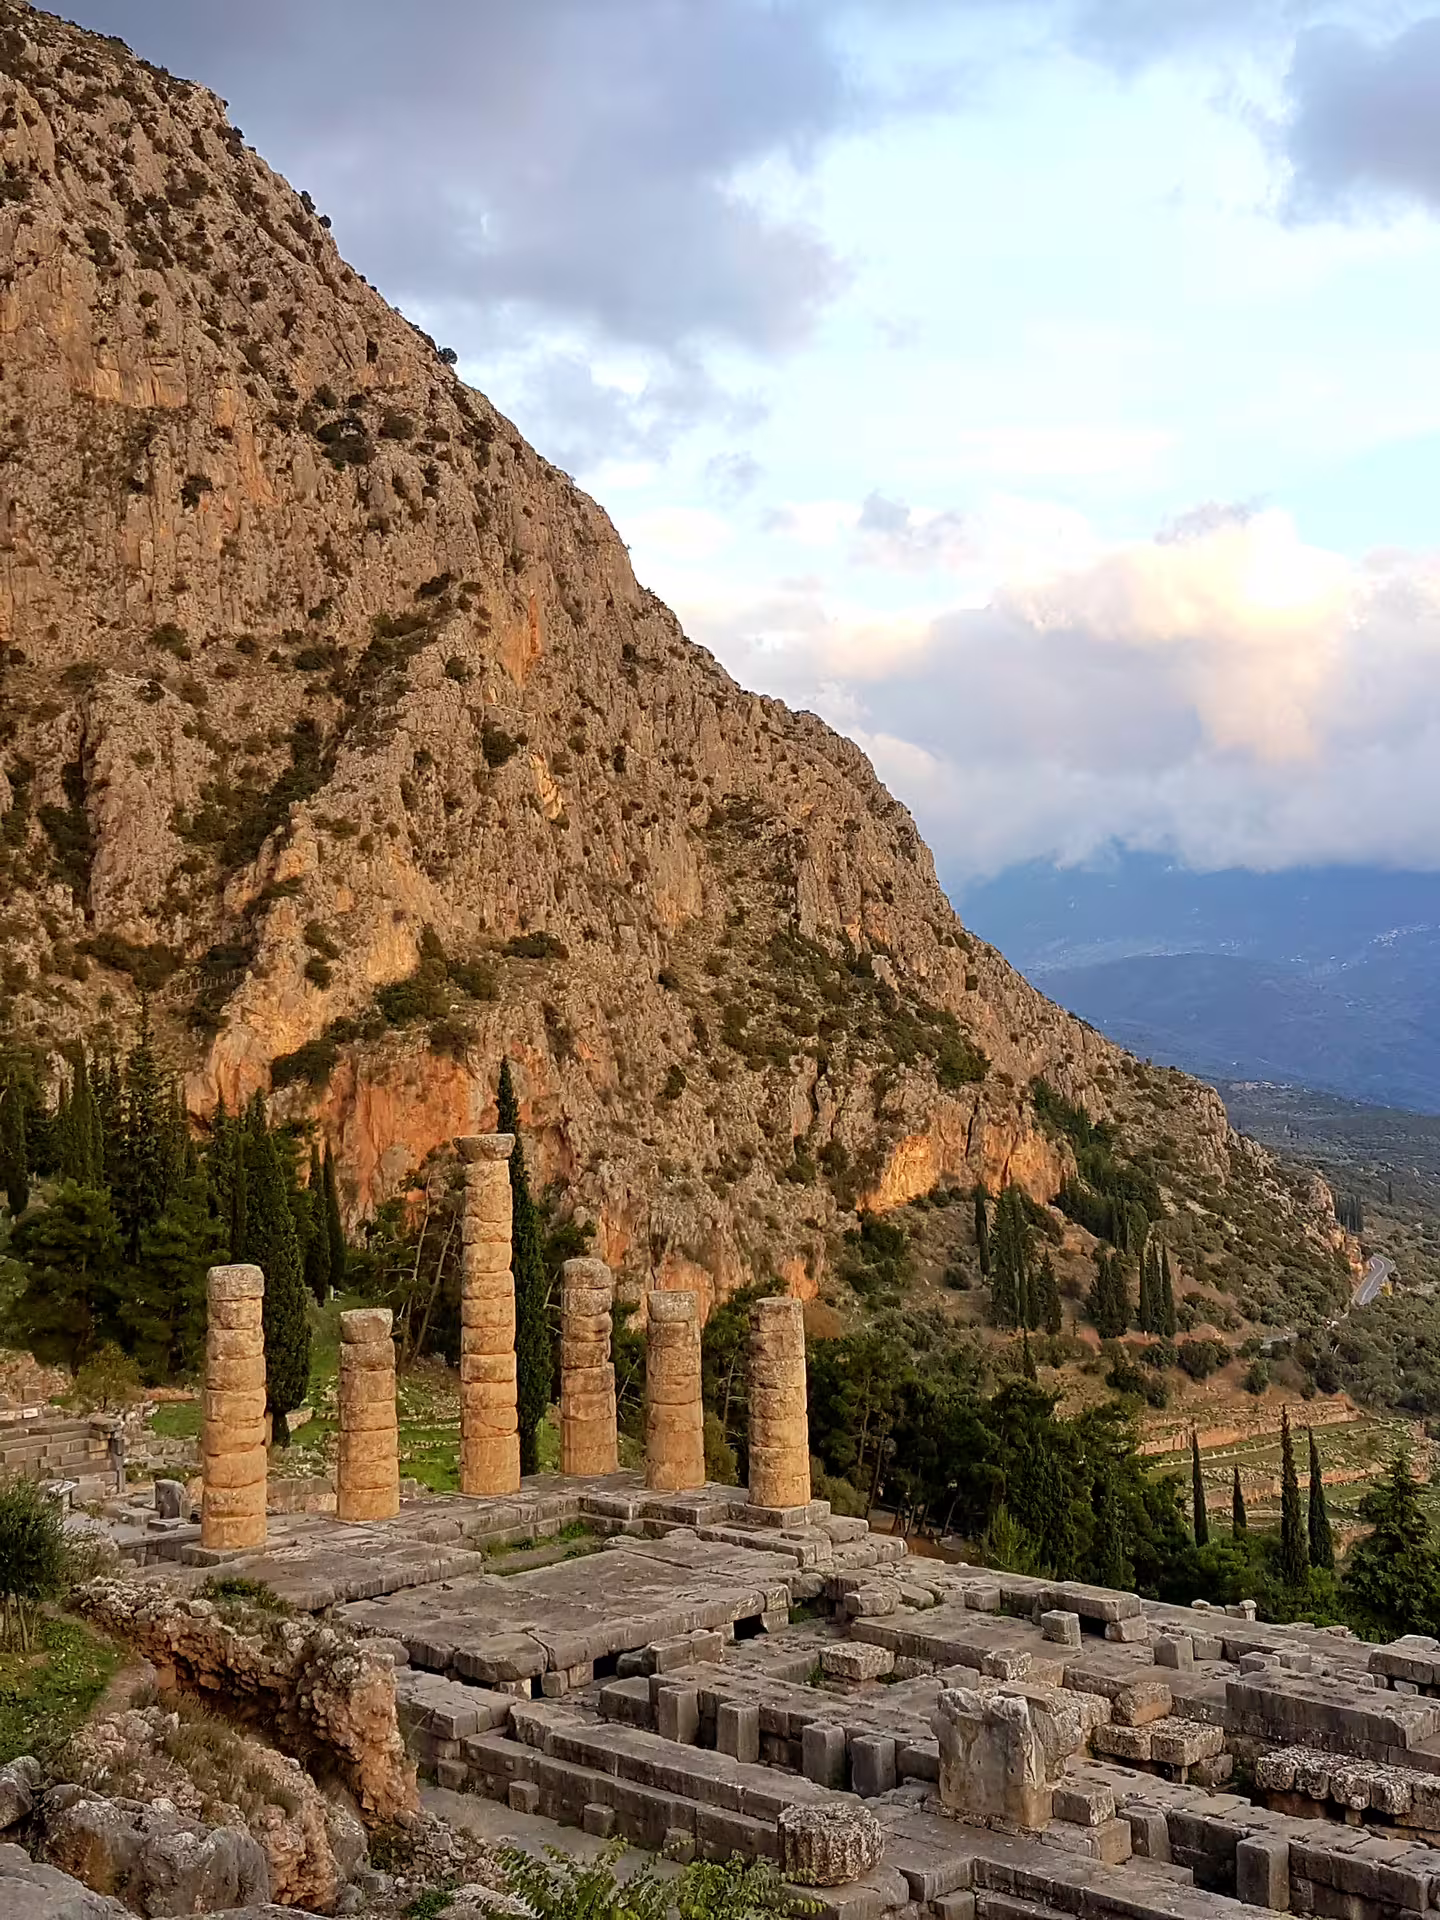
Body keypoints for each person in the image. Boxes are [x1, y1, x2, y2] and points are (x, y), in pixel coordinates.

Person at [107, 1420, 126, 1496]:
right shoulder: (115, 1436)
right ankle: (120, 1489)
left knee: (120, 1469)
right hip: (115, 1452)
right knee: (118, 1469)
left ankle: (121, 1489)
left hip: (118, 1452)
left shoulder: (119, 1437)